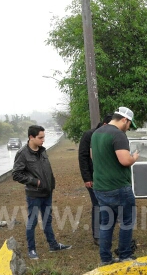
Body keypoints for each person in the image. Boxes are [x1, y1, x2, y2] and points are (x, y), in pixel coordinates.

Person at [13, 125, 71, 260]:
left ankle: (53, 245)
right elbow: (16, 174)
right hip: (34, 194)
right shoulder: (23, 154)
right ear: (31, 137)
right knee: (32, 222)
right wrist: (34, 181)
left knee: (47, 220)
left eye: (43, 137)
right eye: (40, 137)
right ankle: (31, 249)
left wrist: (51, 183)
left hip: (47, 192)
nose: (43, 140)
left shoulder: (42, 151)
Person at [91, 107, 139, 266]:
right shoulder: (119, 135)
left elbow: (93, 156)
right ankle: (125, 255)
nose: (129, 127)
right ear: (124, 120)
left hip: (100, 187)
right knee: (127, 221)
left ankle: (105, 259)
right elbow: (125, 161)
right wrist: (134, 158)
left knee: (106, 224)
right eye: (130, 124)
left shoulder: (96, 133)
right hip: (118, 187)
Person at [78, 114, 112, 246]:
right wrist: (87, 178)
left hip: (107, 178)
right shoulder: (89, 135)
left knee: (108, 205)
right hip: (93, 178)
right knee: (97, 205)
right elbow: (83, 157)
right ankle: (97, 235)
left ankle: (106, 232)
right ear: (105, 124)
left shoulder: (110, 136)